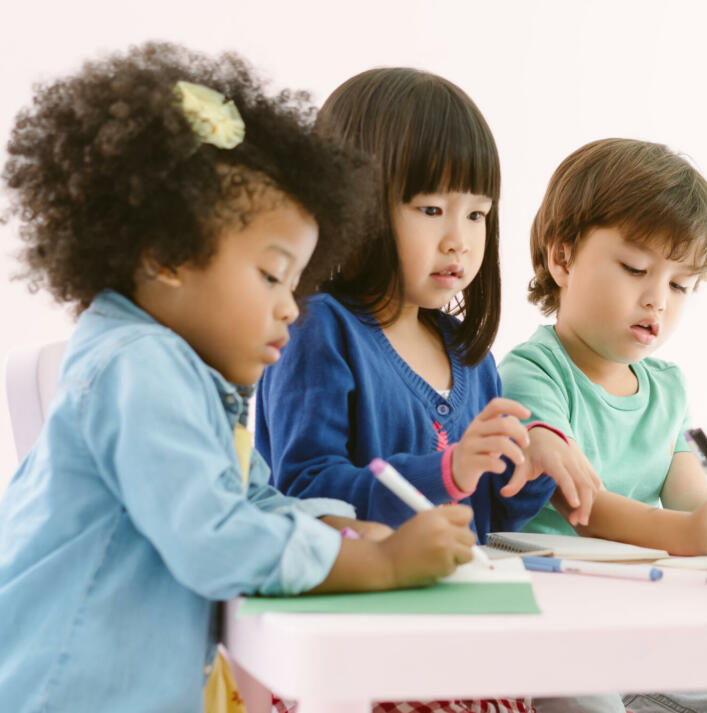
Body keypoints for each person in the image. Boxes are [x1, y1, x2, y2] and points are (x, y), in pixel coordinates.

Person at [0, 44, 477, 713]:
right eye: (271, 275)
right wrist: (382, 563)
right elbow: (215, 539)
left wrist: (341, 530)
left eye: (298, 281)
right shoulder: (137, 365)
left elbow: (254, 502)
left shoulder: (193, 381)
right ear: (166, 254)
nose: (291, 305)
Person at [499, 138, 707, 713]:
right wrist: (690, 536)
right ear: (562, 259)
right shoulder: (530, 374)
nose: (657, 299)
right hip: (555, 624)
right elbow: (582, 508)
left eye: (681, 284)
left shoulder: (669, 388)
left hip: (643, 620)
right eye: (636, 268)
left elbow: (687, 494)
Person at [255, 68, 600, 542]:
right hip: (366, 605)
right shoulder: (317, 328)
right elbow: (308, 493)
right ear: (355, 206)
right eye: (432, 210)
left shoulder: (468, 354)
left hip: (455, 603)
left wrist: (531, 461)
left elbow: (492, 515)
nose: (459, 241)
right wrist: (448, 470)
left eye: (477, 214)